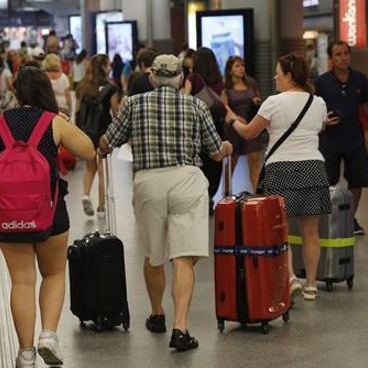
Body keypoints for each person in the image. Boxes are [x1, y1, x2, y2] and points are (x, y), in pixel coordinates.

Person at [99, 55, 232, 353]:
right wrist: (226, 147)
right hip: (187, 179)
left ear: (151, 78)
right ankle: (180, 328)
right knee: (183, 257)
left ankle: (157, 313)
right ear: (182, 79)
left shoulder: (133, 104)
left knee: (153, 254)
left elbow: (108, 142)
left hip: (148, 183)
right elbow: (214, 152)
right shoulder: (196, 105)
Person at [0, 66, 95, 368]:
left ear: (16, 91)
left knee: (22, 281)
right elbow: (89, 151)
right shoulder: (53, 122)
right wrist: (66, 124)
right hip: (50, 212)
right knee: (53, 274)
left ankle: (25, 353)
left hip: (7, 214)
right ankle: (49, 336)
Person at [227, 53, 330, 302]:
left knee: (279, 229)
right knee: (311, 231)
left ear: (289, 76)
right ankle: (312, 286)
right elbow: (321, 126)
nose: (275, 77)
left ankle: (292, 278)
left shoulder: (273, 102)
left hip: (281, 168)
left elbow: (251, 133)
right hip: (313, 167)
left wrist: (233, 123)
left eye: (278, 72)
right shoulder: (318, 102)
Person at [314, 41, 368, 235]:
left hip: (354, 139)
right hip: (329, 140)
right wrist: (322, 123)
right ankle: (329, 220)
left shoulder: (359, 79)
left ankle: (350, 220)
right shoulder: (322, 82)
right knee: (327, 181)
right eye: (338, 54)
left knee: (357, 180)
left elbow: (367, 105)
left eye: (346, 53)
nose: (343, 58)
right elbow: (314, 108)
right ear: (331, 59)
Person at [75, 54, 119, 217]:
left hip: (86, 132)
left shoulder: (83, 86)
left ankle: (86, 194)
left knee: (89, 167)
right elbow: (116, 112)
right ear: (103, 67)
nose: (110, 68)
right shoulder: (111, 88)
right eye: (108, 65)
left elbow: (77, 111)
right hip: (103, 133)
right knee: (102, 170)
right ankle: (101, 206)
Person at [184, 47, 225, 209]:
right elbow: (223, 106)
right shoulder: (219, 81)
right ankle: (210, 195)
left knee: (199, 163)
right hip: (216, 127)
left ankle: (201, 196)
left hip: (197, 128)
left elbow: (186, 101)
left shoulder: (193, 78)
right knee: (215, 163)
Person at [221, 56, 263, 191]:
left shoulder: (251, 82)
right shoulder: (226, 85)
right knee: (231, 163)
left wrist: (256, 101)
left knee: (255, 161)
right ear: (230, 70)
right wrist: (236, 119)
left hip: (251, 124)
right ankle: (227, 193)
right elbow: (224, 106)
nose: (241, 69)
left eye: (242, 65)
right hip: (233, 127)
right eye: (237, 66)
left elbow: (258, 97)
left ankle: (257, 195)